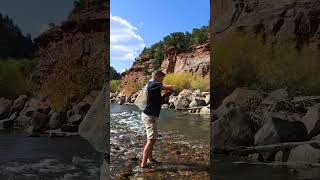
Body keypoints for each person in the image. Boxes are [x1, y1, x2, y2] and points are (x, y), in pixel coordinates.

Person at [140, 70, 173, 168]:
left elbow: (157, 101)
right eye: (162, 78)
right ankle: (144, 164)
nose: (162, 80)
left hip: (150, 115)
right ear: (157, 77)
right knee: (152, 139)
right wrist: (170, 88)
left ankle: (150, 159)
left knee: (151, 139)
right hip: (149, 116)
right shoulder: (153, 84)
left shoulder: (153, 86)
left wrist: (166, 95)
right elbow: (169, 87)